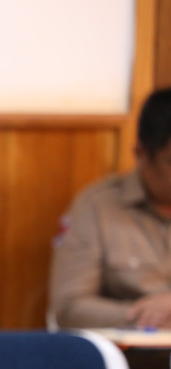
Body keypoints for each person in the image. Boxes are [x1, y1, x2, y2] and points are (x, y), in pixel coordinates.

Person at [49, 87, 171, 329]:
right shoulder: (97, 207)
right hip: (133, 349)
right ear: (141, 155)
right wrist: (145, 316)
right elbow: (69, 307)